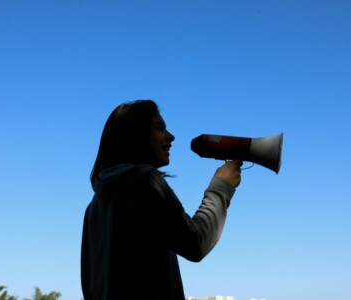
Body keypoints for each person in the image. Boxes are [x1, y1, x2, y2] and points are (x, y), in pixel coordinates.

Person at [81, 100, 242, 300]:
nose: (171, 136)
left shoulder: (94, 206)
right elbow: (196, 243)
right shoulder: (145, 181)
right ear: (135, 134)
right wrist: (221, 186)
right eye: (159, 128)